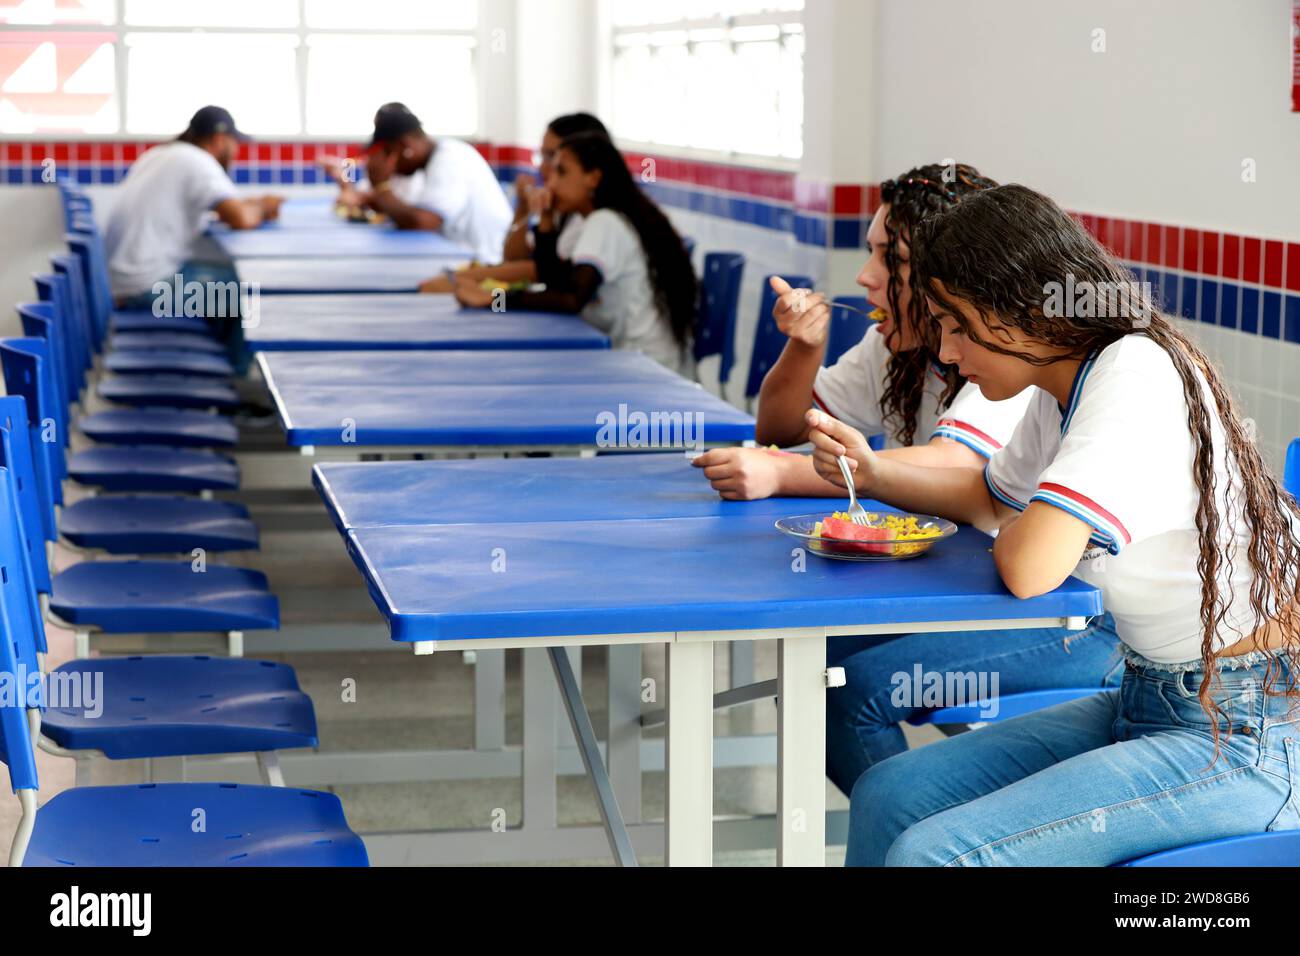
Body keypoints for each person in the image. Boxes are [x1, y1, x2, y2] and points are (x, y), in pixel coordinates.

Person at [803, 183, 1300, 866]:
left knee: (935, 854)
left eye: (956, 323)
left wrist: (1024, 525)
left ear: (1019, 310)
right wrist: (873, 471)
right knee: (890, 792)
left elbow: (1029, 565)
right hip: (1151, 696)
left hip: (1250, 733)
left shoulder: (1136, 370)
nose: (947, 352)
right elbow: (988, 497)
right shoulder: (1064, 380)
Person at [696, 166, 1123, 795]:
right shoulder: (990, 369)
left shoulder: (1052, 371)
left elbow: (991, 512)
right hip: (1023, 593)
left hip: (1091, 623)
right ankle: (907, 823)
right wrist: (855, 450)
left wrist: (793, 473)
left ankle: (910, 822)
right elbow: (984, 495)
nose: (866, 276)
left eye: (886, 257)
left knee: (847, 694)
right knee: (822, 660)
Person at [452, 131, 697, 377]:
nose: (551, 183)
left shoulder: (605, 222)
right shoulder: (599, 220)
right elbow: (554, 280)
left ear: (593, 178)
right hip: (637, 360)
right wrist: (545, 220)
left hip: (650, 369)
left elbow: (571, 299)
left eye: (562, 172)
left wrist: (495, 299)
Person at [104, 105, 281, 309]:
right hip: (146, 287)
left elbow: (227, 207)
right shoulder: (198, 160)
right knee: (244, 287)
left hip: (121, 282)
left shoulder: (161, 154)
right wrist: (266, 207)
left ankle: (216, 339)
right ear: (219, 140)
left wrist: (254, 205)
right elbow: (240, 218)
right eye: (234, 143)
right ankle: (232, 342)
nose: (236, 150)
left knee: (225, 279)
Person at [418, 112, 610, 294]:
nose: (543, 168)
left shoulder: (601, 221)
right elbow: (514, 258)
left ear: (592, 174)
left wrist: (460, 281)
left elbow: (540, 274)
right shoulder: (561, 208)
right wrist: (523, 208)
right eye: (543, 156)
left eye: (556, 161)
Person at [328, 102, 512, 262]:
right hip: (466, 254)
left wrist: (381, 185)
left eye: (389, 153)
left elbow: (422, 224)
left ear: (405, 147)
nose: (394, 166)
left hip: (490, 260)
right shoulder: (437, 159)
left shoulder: (449, 159)